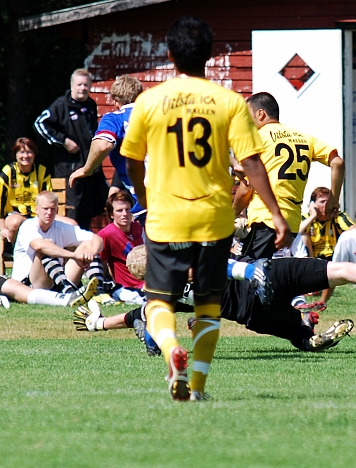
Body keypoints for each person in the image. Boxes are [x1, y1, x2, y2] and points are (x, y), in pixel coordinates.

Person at [120, 16, 289, 402]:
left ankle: (170, 351)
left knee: (159, 301)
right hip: (214, 217)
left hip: (167, 217)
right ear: (211, 56)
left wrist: (145, 201)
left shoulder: (148, 102)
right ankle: (196, 387)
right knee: (209, 304)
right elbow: (251, 163)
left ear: (169, 55)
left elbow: (131, 160)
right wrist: (276, 214)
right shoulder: (230, 102)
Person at [74, 255, 356, 355]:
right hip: (272, 272)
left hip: (255, 312)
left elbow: (135, 314)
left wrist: (97, 323)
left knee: (297, 336)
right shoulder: (193, 255)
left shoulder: (163, 297)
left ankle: (306, 336)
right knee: (341, 271)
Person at [235, 92, 345, 259]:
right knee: (270, 274)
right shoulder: (305, 138)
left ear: (260, 114)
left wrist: (231, 215)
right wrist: (333, 200)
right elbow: (338, 162)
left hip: (265, 219)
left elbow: (246, 188)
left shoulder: (257, 138)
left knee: (245, 272)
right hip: (292, 223)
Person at [34, 68, 108, 229]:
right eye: (80, 84)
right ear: (72, 85)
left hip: (89, 168)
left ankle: (83, 250)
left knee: (92, 208)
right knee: (72, 212)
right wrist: (63, 141)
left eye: (86, 85)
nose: (83, 88)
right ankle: (68, 251)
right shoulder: (61, 106)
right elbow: (40, 123)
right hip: (69, 169)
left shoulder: (90, 105)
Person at [11, 191, 113, 303]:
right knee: (45, 247)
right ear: (37, 210)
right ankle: (68, 291)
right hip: (29, 285)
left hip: (56, 280)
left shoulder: (60, 227)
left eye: (52, 209)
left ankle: (98, 292)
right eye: (45, 208)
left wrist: (91, 252)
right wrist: (74, 256)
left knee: (88, 244)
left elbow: (96, 238)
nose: (49, 212)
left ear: (57, 210)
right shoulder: (28, 226)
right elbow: (39, 246)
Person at [68, 75, 144, 213]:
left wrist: (87, 169)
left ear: (115, 102)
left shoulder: (116, 118)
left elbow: (103, 145)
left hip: (147, 197)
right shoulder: (159, 116)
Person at [0, 137, 52, 243]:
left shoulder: (42, 172)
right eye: (21, 152)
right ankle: (18, 253)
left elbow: (49, 198)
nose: (26, 156)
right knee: (15, 223)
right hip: (15, 215)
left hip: (39, 216)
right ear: (15, 154)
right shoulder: (8, 173)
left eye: (29, 152)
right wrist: (3, 229)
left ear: (34, 154)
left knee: (72, 224)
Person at [97, 191, 144, 292]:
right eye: (119, 211)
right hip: (128, 288)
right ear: (111, 215)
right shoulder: (106, 234)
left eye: (127, 209)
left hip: (148, 280)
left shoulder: (137, 227)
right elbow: (102, 263)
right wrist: (101, 289)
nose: (125, 214)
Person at [299, 187, 355, 260]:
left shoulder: (338, 216)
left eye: (328, 202)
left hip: (335, 259)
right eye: (322, 202)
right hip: (314, 259)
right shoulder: (307, 218)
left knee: (348, 236)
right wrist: (313, 216)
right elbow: (298, 232)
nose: (326, 205)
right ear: (313, 205)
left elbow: (354, 232)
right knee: (303, 236)